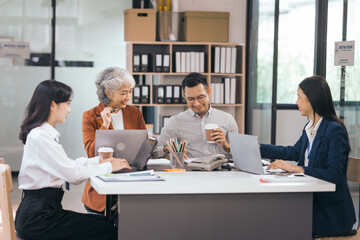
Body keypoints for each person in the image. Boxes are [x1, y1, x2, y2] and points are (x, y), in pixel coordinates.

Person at [15, 80, 131, 240]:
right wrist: (108, 167)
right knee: (108, 229)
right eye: (67, 104)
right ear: (52, 105)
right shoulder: (40, 137)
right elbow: (73, 175)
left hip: (40, 213)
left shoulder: (42, 135)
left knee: (106, 222)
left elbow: (69, 165)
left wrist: (101, 162)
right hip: (39, 220)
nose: (69, 110)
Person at [260, 76, 356, 237]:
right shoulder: (310, 126)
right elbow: (292, 152)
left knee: (279, 223)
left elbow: (333, 175)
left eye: (299, 97)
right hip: (310, 201)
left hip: (328, 213)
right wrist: (259, 148)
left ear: (312, 98)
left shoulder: (334, 130)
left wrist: (297, 169)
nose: (296, 102)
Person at [81, 67, 146, 214]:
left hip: (132, 181)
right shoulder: (90, 116)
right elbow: (92, 154)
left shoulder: (135, 113)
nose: (128, 97)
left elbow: (144, 145)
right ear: (108, 93)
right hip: (102, 190)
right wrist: (104, 125)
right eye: (124, 93)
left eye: (130, 91)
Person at [155, 72, 238, 158]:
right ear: (184, 95)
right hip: (191, 170)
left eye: (201, 97)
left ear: (208, 92)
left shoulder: (228, 119)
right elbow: (155, 151)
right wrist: (167, 148)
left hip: (221, 169)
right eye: (191, 99)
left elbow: (241, 154)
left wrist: (226, 146)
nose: (197, 103)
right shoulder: (176, 121)